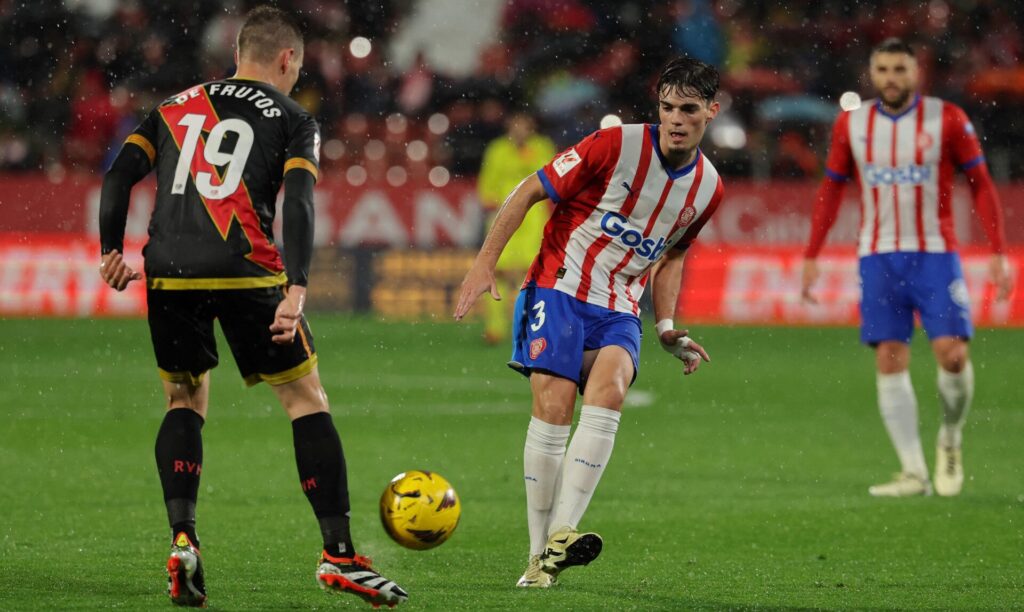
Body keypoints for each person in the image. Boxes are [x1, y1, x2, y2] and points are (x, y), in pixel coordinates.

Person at [98, 6, 407, 607]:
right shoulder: (293, 117)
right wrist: (298, 286)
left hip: (170, 269)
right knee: (304, 399)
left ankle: (184, 540)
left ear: (238, 52)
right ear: (287, 59)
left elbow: (117, 178)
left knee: (183, 400)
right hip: (245, 266)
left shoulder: (173, 106)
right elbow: (300, 201)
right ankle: (339, 554)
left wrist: (111, 250)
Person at [454, 56, 724, 588]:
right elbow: (530, 189)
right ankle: (538, 557)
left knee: (612, 390)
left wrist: (666, 326)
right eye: (668, 107)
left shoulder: (708, 189)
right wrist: (484, 262)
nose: (675, 119)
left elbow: (672, 255)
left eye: (689, 110)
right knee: (554, 408)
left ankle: (562, 534)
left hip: (620, 305)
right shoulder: (615, 145)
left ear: (711, 112)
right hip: (557, 286)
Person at [801, 38, 1012, 498]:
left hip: (935, 253)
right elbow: (831, 188)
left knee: (953, 355)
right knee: (889, 357)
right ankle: (913, 472)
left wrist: (998, 251)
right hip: (878, 256)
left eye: (900, 69)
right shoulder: (852, 124)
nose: (891, 77)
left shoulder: (947, 118)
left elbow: (981, 183)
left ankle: (950, 438)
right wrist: (812, 254)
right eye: (883, 69)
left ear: (916, 72)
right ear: (872, 74)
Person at [476, 111, 557, 344]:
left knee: (534, 274)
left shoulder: (542, 147)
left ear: (531, 127)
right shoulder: (497, 149)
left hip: (534, 220)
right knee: (495, 272)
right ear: (509, 127)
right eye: (516, 125)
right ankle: (495, 329)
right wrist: (492, 202)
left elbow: (552, 179)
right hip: (503, 217)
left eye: (524, 125)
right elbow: (487, 184)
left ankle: (532, 327)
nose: (519, 130)